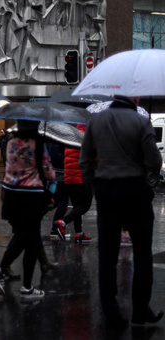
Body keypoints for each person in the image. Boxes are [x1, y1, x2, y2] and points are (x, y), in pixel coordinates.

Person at [79, 95, 163, 326]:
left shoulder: (96, 121)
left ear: (115, 96)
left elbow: (84, 159)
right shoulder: (140, 121)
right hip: (136, 191)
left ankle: (111, 311)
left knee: (108, 253)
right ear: (134, 96)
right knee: (142, 253)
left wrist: (94, 186)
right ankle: (139, 310)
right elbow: (154, 160)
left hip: (106, 190)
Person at [0, 120, 56, 301]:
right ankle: (26, 286)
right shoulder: (38, 144)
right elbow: (48, 171)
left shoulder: (11, 142)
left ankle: (1, 269)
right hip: (31, 196)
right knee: (31, 240)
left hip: (11, 194)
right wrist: (52, 186)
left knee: (22, 236)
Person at [54, 124, 93, 243]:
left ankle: (79, 233)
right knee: (85, 205)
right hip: (81, 176)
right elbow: (93, 157)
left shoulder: (71, 136)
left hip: (69, 177)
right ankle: (63, 222)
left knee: (77, 206)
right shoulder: (87, 137)